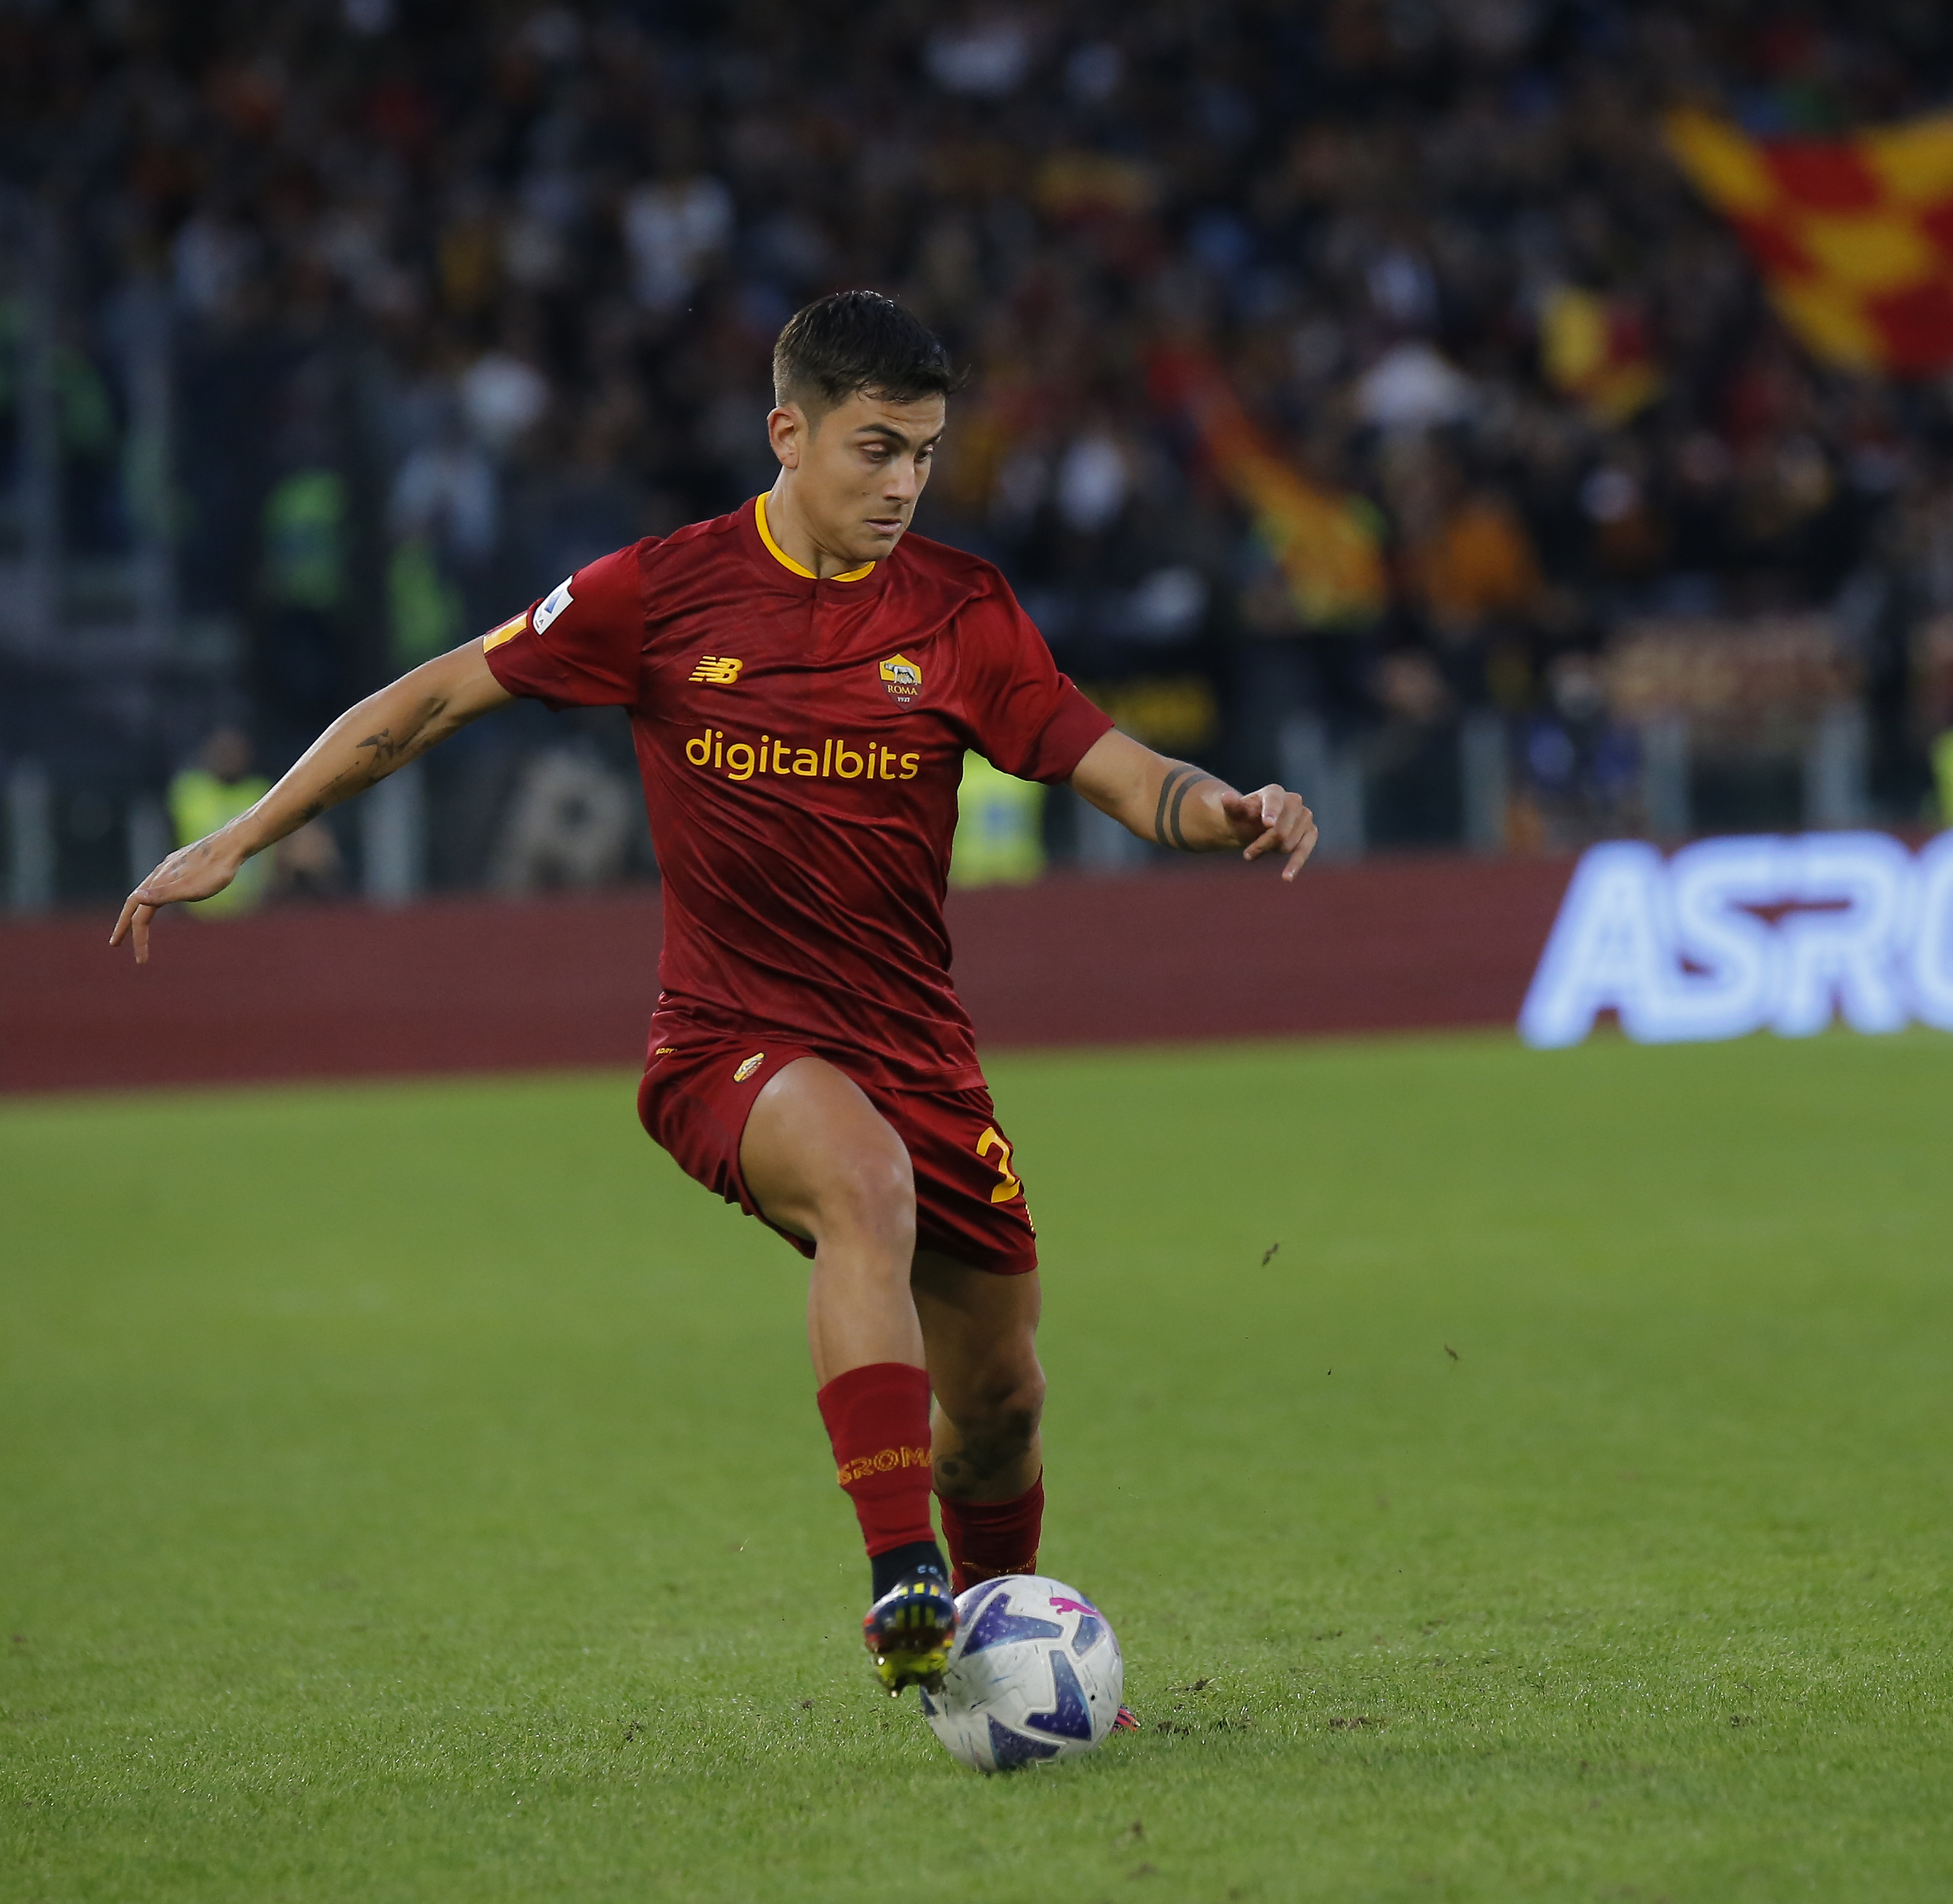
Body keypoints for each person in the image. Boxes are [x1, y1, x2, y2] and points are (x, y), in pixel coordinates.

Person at [113, 291, 1318, 1710]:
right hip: (728, 1048)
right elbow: (435, 698)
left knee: (998, 1407)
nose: (901, 484)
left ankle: (982, 1660)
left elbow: (1115, 767)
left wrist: (1219, 809)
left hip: (919, 1051)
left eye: (925, 454)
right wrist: (247, 830)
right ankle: (901, 1578)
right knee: (862, 1185)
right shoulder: (658, 593)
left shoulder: (963, 610)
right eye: (874, 449)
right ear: (786, 434)